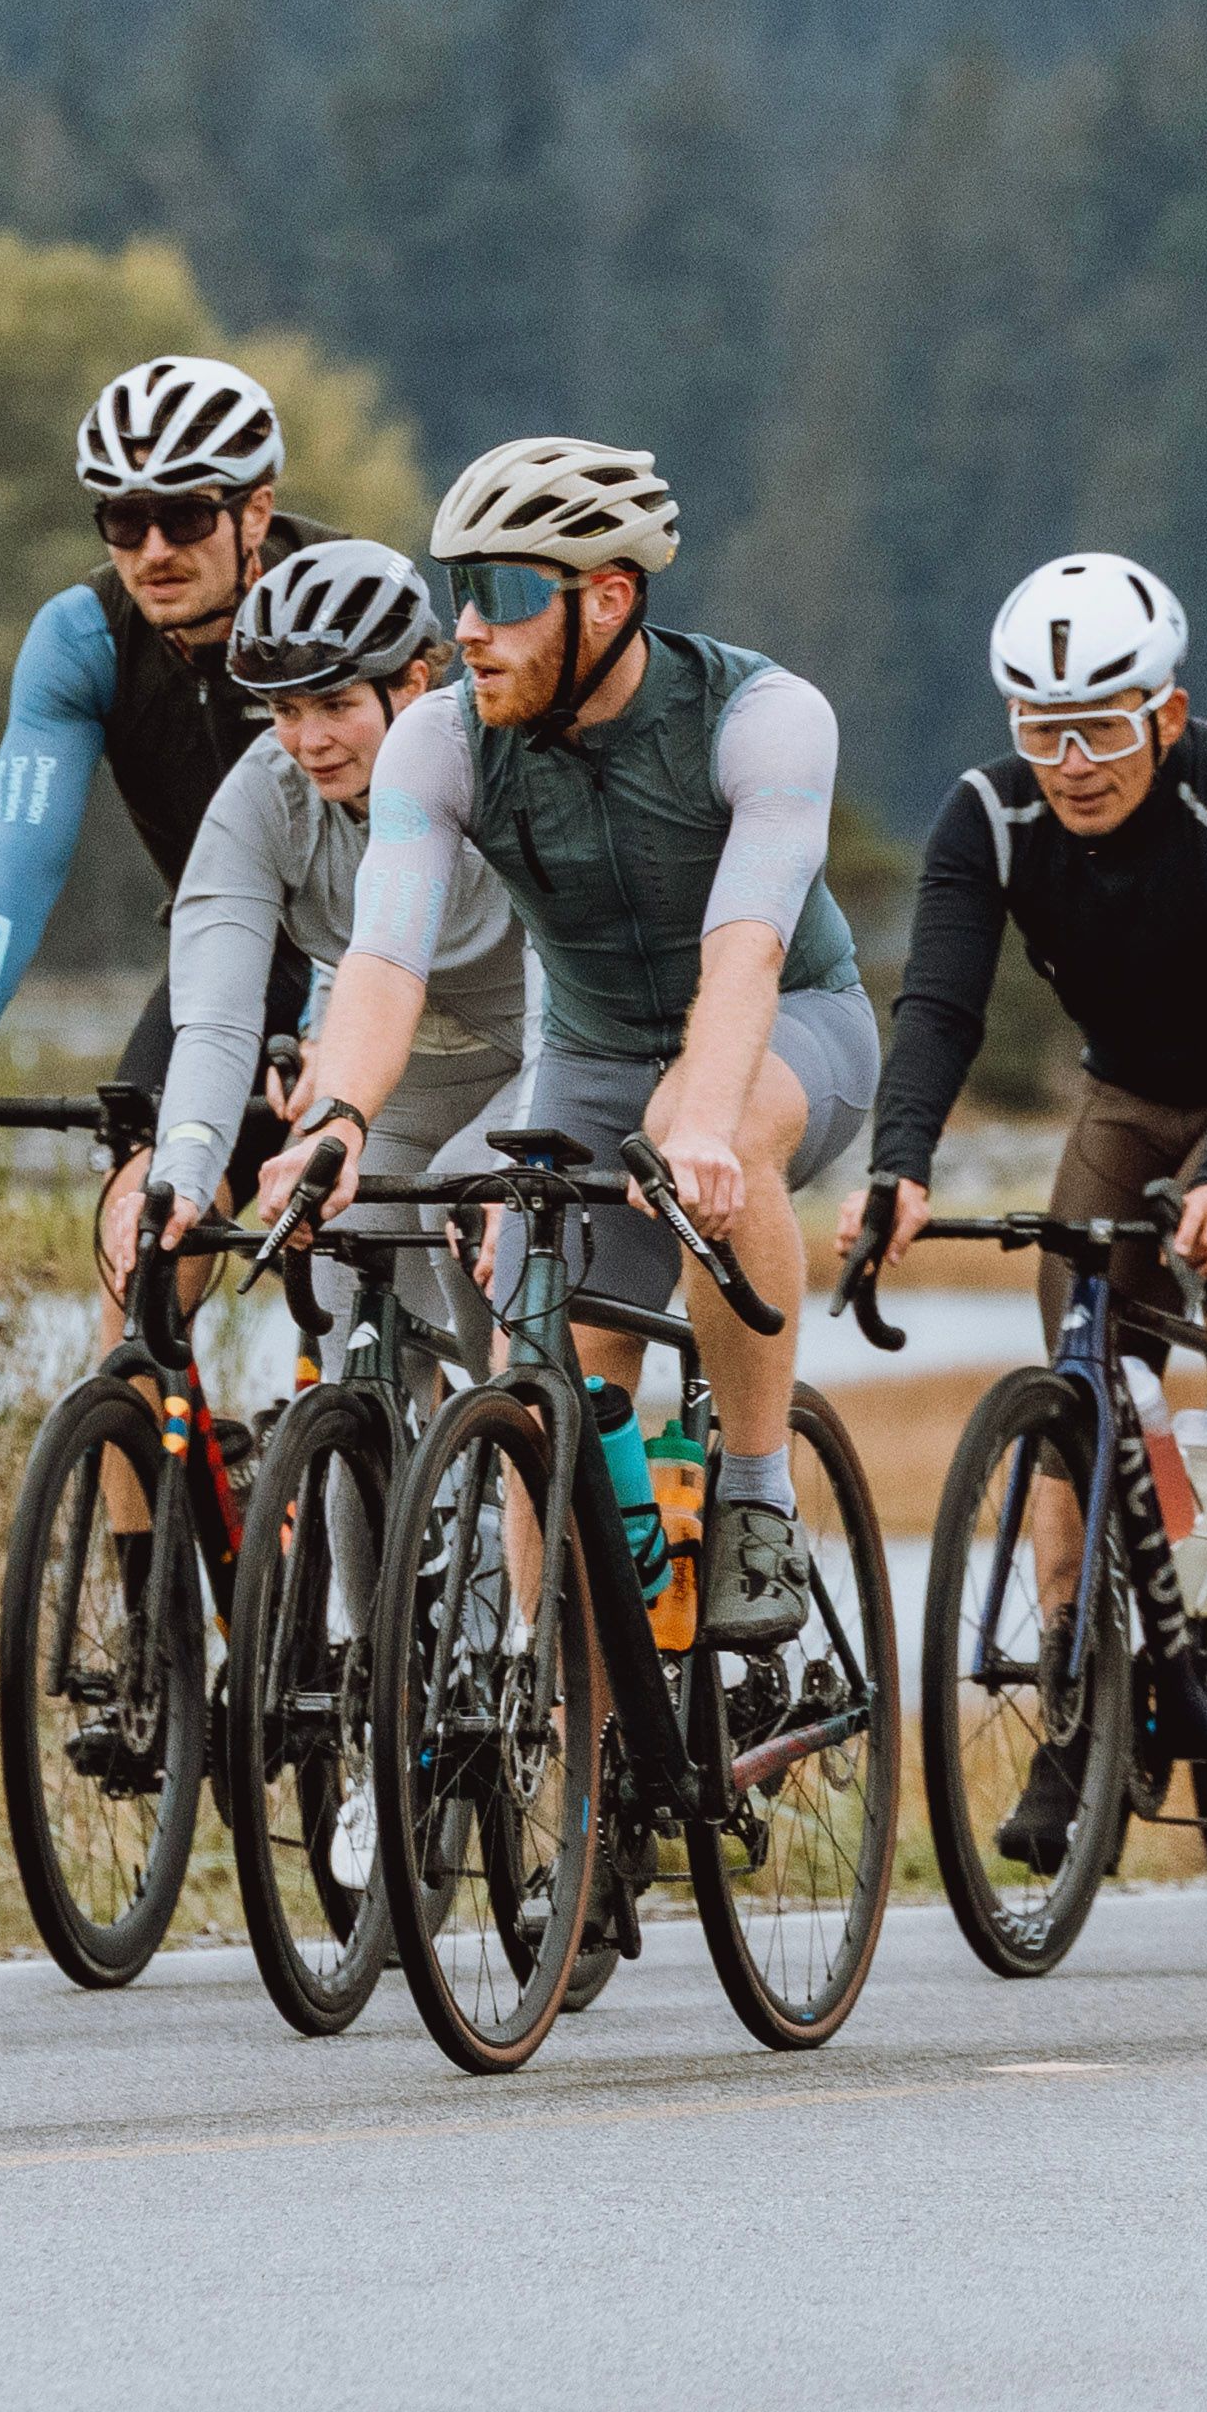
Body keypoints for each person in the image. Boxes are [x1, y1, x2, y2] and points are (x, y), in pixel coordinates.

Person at [263, 434, 878, 1650]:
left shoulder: (763, 717)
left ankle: (755, 1492)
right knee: (541, 1394)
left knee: (709, 1131)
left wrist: (702, 1114)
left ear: (607, 598)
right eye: (459, 593)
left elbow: (746, 949)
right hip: (590, 1064)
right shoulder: (441, 744)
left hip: (793, 1028)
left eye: (503, 593)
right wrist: (334, 1116)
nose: (470, 630)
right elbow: (383, 957)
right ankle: (571, 1725)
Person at [857, 553, 1207, 1864]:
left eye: (1100, 724)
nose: (1070, 759)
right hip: (1128, 1093)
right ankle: (1076, 1711)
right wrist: (896, 1162)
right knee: (1079, 1394)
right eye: (1040, 727)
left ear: (1165, 712)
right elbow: (935, 1005)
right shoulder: (985, 817)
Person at [0, 356, 333, 1288]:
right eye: (125, 519)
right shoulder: (81, 638)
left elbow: (413, 850)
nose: (153, 548)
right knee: (140, 1240)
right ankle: (155, 1422)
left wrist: (331, 1030)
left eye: (185, 515)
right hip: (220, 955)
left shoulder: (340, 608)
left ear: (255, 508)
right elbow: (24, 850)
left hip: (373, 958)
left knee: (357, 1268)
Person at [115, 538, 530, 1358]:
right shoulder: (265, 795)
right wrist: (183, 1174)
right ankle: (385, 1474)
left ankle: (510, 1454)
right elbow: (217, 1018)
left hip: (533, 1064)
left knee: (475, 1217)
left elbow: (577, 1001)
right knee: (350, 1346)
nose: (306, 743)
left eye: (334, 704)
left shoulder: (502, 771)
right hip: (403, 1081)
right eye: (283, 710)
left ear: (415, 681)